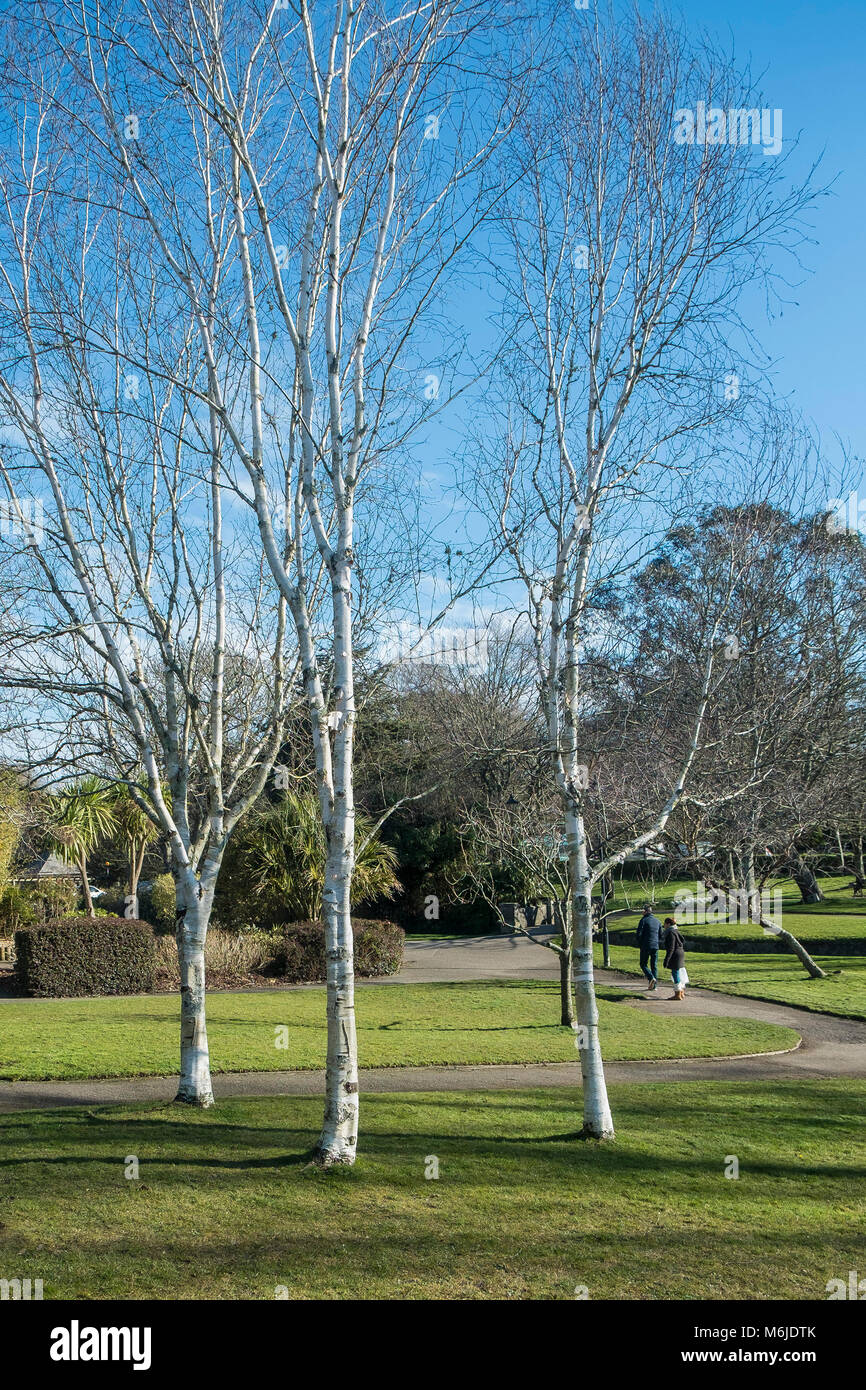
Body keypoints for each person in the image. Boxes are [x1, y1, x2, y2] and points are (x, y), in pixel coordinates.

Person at [635, 903, 663, 991]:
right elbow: (660, 935)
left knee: (643, 964)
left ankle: (651, 978)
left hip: (646, 945)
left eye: (643, 910)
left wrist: (640, 943)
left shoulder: (643, 920)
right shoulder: (657, 921)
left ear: (646, 911)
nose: (641, 912)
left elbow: (639, 934)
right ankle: (654, 986)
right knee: (654, 965)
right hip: (655, 946)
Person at [663, 916, 688, 1000]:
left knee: (675, 973)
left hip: (675, 954)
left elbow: (671, 948)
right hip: (680, 952)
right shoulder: (676, 930)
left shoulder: (670, 933)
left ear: (668, 924)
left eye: (665, 924)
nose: (664, 925)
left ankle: (677, 994)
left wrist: (666, 960)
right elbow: (682, 940)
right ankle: (682, 992)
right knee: (680, 972)